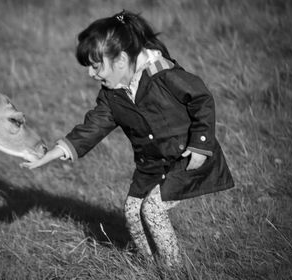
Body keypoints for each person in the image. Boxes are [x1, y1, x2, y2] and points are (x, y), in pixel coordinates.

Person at [21, 10, 234, 267]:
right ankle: (150, 264)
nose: (90, 74)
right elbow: (94, 126)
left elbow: (201, 99)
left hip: (187, 158)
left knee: (152, 210)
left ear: (121, 59)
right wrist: (55, 152)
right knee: (133, 211)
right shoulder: (112, 94)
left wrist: (200, 145)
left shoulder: (162, 73)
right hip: (152, 165)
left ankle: (173, 271)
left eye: (96, 65)